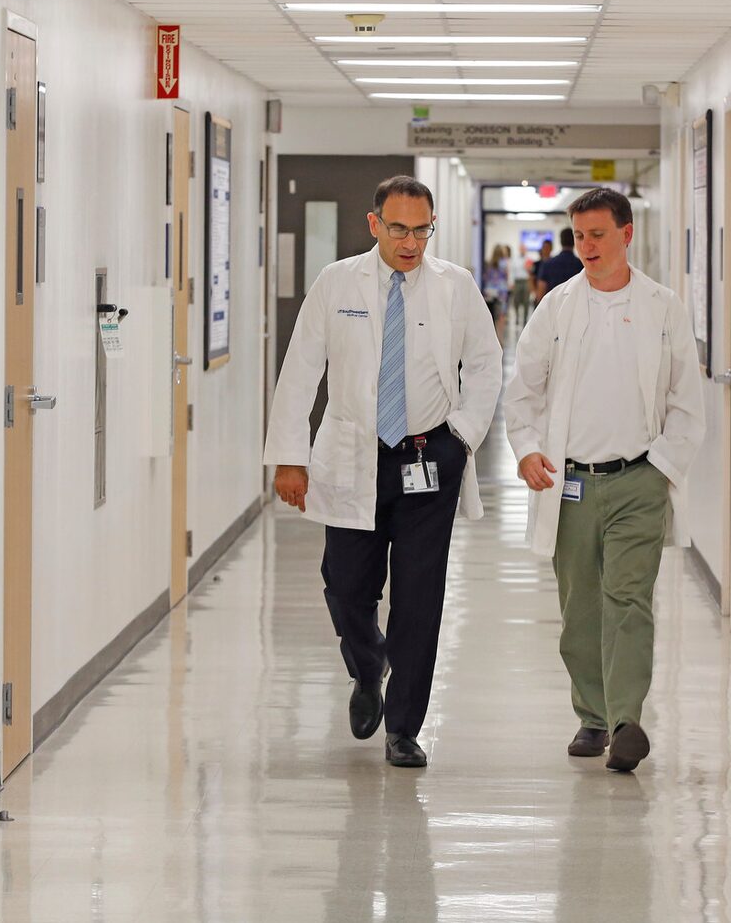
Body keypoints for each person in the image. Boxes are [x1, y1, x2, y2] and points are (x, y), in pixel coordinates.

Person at [263, 176, 503, 769]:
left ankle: (403, 727)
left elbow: (486, 362)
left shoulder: (455, 286)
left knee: (421, 598)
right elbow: (300, 371)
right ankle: (368, 666)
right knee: (346, 587)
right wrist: (288, 457)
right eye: (399, 228)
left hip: (427, 459)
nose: (412, 242)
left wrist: (464, 439)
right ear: (375, 225)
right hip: (352, 455)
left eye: (422, 230)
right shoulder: (336, 282)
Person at [504, 188, 705, 772]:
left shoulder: (663, 307)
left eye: (597, 234)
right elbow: (523, 391)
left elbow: (686, 403)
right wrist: (527, 450)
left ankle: (624, 722)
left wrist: (660, 470)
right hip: (570, 485)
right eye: (578, 236)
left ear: (626, 234)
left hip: (639, 480)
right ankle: (591, 716)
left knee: (628, 600)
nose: (586, 246)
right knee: (582, 610)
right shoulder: (557, 308)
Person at [536, 227, 584, 303]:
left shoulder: (548, 264)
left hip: (552, 307)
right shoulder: (581, 265)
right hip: (574, 307)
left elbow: (541, 291)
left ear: (560, 241)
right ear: (574, 241)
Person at [483, 243, 510, 343]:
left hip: (490, 291)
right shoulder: (504, 263)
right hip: (501, 291)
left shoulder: (489, 264)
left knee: (491, 315)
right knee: (501, 315)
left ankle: (491, 338)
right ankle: (500, 338)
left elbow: (485, 278)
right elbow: (506, 276)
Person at [510, 242, 532, 326]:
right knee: (516, 300)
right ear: (519, 249)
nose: (523, 250)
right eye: (521, 248)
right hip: (517, 281)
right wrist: (511, 282)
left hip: (526, 281)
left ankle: (525, 319)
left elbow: (531, 272)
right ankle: (517, 317)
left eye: (524, 248)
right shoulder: (515, 259)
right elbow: (512, 271)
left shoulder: (529, 259)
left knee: (526, 301)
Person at [529, 238, 553, 311]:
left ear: (551, 249)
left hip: (551, 296)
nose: (546, 249)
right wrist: (535, 292)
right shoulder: (536, 264)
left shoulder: (553, 263)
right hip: (539, 296)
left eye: (548, 248)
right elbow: (531, 278)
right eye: (544, 247)